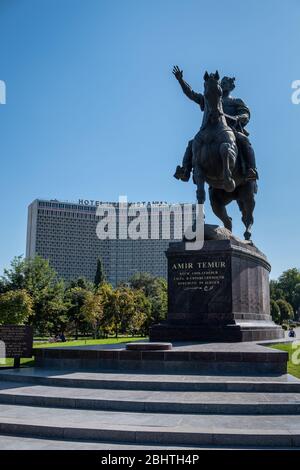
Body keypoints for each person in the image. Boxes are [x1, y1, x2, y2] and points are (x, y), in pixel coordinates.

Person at [172, 66, 258, 182]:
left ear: (231, 87)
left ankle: (251, 169)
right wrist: (181, 80)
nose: (223, 84)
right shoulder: (210, 98)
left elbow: (245, 114)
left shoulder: (236, 101)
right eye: (222, 82)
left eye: (226, 83)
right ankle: (185, 171)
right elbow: (191, 94)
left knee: (244, 140)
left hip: (231, 129)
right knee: (192, 143)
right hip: (209, 129)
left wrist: (237, 117)